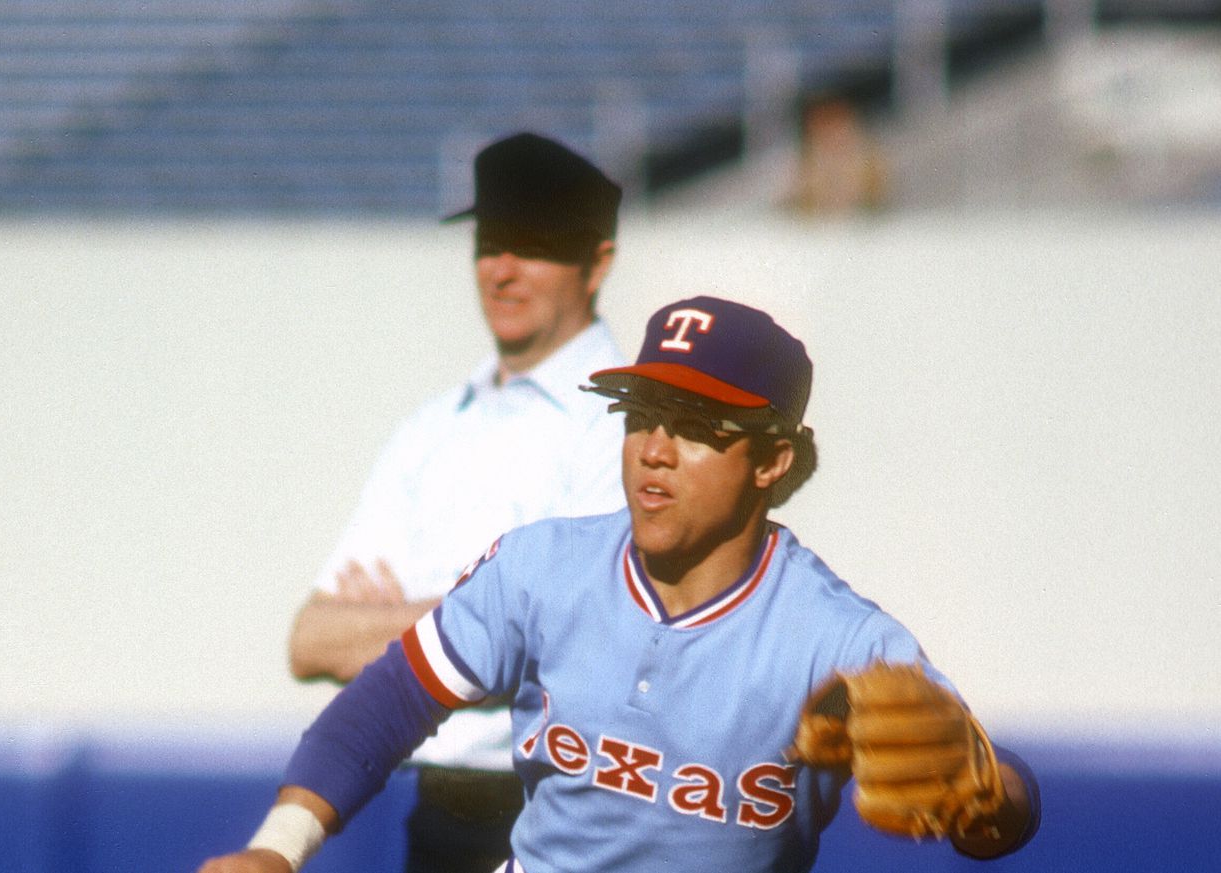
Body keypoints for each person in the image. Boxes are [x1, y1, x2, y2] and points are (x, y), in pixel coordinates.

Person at [204, 296, 1041, 873]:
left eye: (697, 429)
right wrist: (280, 843)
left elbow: (1004, 809)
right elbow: (389, 702)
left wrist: (986, 790)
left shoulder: (839, 639)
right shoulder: (544, 568)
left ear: (772, 461)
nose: (654, 450)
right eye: (641, 415)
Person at [286, 132, 627, 873]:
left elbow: (591, 638)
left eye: (532, 245)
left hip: (573, 811)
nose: (501, 269)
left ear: (597, 262)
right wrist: (490, 629)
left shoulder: (626, 425)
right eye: (488, 243)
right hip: (441, 813)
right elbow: (311, 637)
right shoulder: (435, 428)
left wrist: (390, 632)